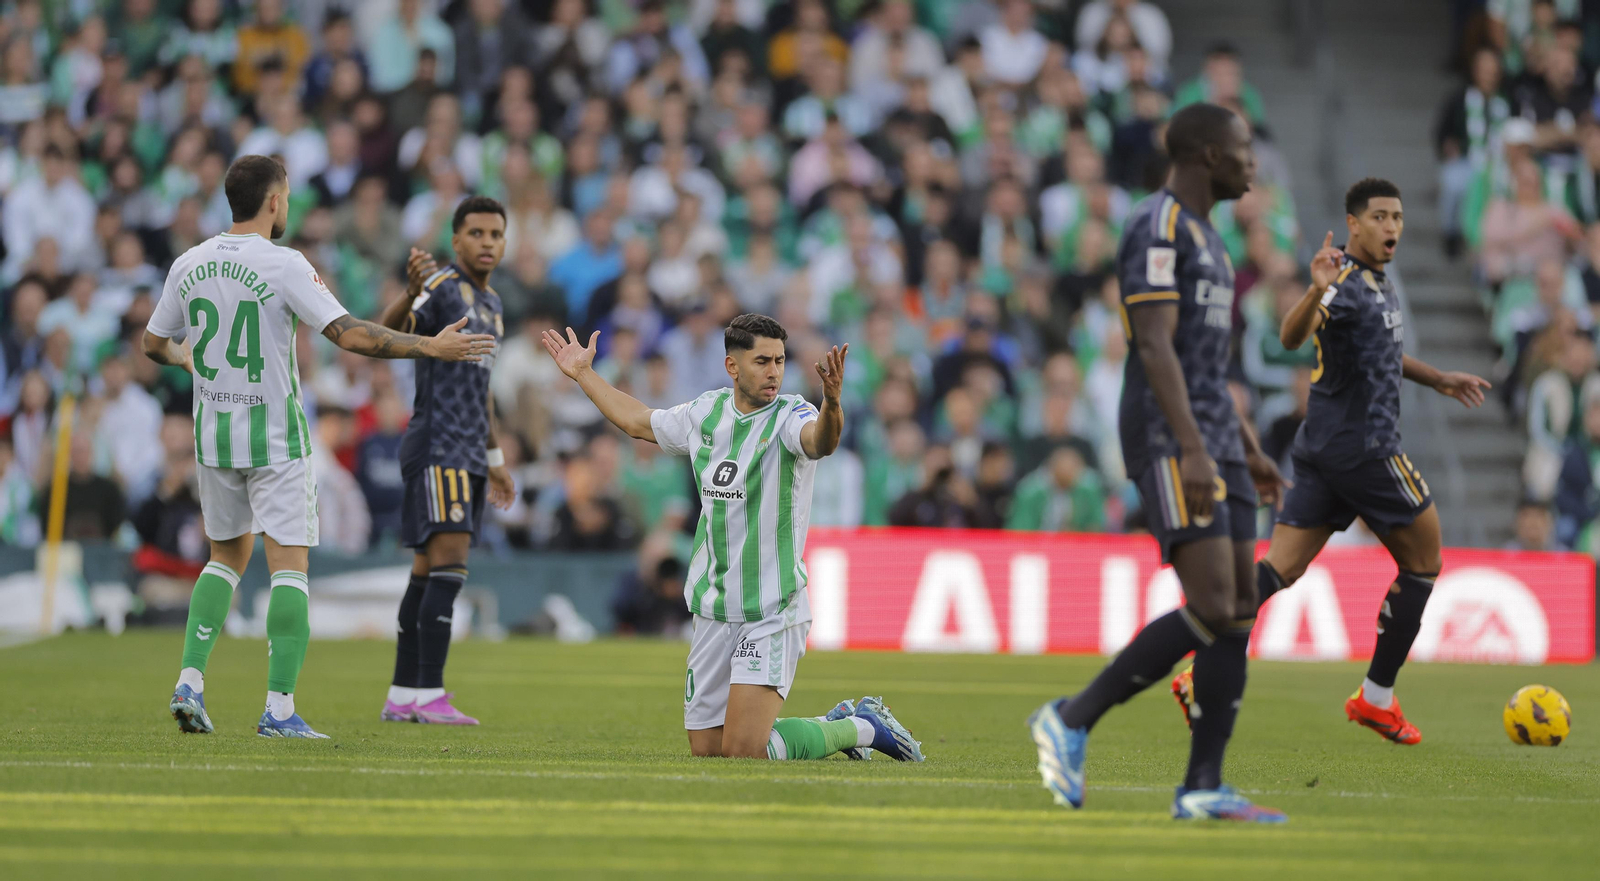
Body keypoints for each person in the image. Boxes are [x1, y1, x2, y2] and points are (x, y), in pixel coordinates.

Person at [145, 155, 496, 739]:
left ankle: (190, 682)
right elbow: (349, 334)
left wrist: (185, 356)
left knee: (223, 559)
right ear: (275, 202)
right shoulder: (284, 264)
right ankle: (278, 711)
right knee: (289, 571)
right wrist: (427, 347)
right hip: (276, 440)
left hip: (214, 437)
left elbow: (154, 342)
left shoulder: (189, 263)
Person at [1028, 103, 1289, 823]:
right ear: (1207, 154)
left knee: (1237, 607)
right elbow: (1154, 346)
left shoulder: (1213, 240)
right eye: (1242, 149)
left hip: (1214, 436)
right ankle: (1072, 717)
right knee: (1212, 601)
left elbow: (1207, 364)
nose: (1252, 163)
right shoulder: (1158, 225)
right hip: (1170, 436)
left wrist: (1245, 443)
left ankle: (1202, 784)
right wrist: (1197, 447)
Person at [1171, 179, 1491, 746]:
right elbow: (1294, 335)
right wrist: (1315, 291)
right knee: (1424, 560)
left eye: (1397, 217)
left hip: (1322, 452)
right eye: (1380, 217)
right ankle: (1376, 699)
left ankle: (1203, 669)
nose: (1392, 227)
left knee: (1279, 568)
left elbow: (1383, 350)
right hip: (1366, 451)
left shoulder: (1376, 283)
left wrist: (1437, 377)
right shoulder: (1342, 282)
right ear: (1354, 223)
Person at [543, 313, 924, 763]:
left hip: (771, 606)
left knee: (743, 750)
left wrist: (833, 405)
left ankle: (861, 727)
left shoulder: (792, 415)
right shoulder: (706, 414)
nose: (774, 371)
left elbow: (820, 441)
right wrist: (585, 374)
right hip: (713, 606)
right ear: (732, 366)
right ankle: (832, 723)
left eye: (780, 360)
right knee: (708, 749)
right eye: (762, 360)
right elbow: (638, 422)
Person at [376, 196, 517, 726]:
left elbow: (483, 389)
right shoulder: (441, 289)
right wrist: (410, 292)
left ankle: (403, 695)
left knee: (425, 571)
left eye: (495, 234)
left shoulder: (494, 304)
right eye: (476, 233)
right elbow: (385, 335)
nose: (487, 243)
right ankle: (430, 693)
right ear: (455, 240)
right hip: (439, 446)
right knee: (451, 565)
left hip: (467, 449)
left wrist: (496, 457)